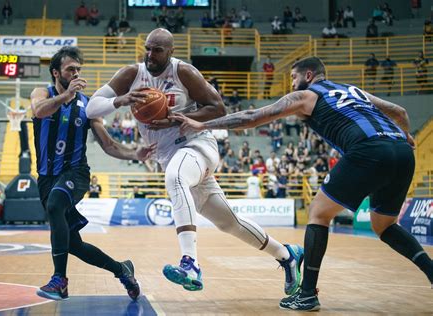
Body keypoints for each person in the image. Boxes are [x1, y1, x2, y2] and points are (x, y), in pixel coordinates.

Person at [171, 56, 433, 311]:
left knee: (318, 213)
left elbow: (251, 117)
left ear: (309, 76)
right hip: (402, 150)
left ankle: (307, 294)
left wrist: (200, 123)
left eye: (294, 78)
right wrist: (407, 136)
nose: (291, 84)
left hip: (369, 150)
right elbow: (400, 111)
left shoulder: (307, 95)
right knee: (384, 225)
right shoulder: (353, 90)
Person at [85, 28, 304, 295]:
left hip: (197, 145)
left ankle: (190, 265)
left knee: (175, 177)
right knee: (229, 223)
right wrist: (120, 100)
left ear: (171, 52)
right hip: (170, 156)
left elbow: (218, 107)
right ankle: (287, 255)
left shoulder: (183, 72)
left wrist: (185, 119)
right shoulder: (132, 74)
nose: (150, 54)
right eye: (148, 48)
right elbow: (91, 108)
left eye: (157, 50)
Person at [30, 46, 155, 301]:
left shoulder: (87, 106)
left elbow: (109, 145)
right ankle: (123, 270)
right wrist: (65, 96)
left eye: (78, 69)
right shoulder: (42, 93)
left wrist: (135, 154)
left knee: (56, 204)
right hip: (46, 178)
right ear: (56, 72)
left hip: (75, 173)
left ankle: (60, 281)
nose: (76, 74)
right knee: (74, 245)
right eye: (70, 69)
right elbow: (39, 110)